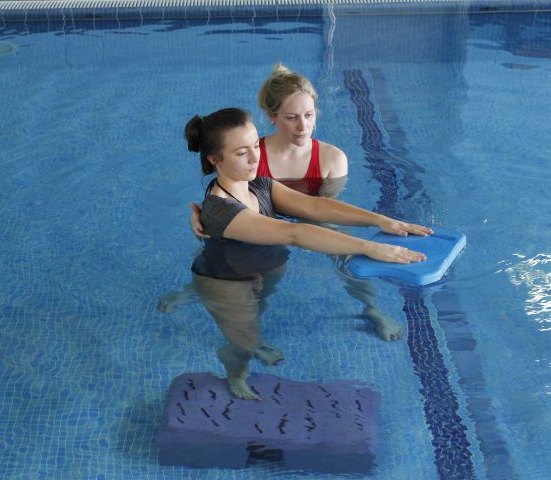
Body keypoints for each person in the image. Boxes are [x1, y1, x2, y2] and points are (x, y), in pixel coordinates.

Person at [184, 107, 431, 400]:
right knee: (242, 341)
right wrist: (371, 247)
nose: (254, 158)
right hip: (228, 284)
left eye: (254, 146)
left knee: (255, 316)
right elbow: (295, 233)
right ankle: (236, 369)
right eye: (241, 153)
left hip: (265, 266)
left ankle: (251, 340)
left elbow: (314, 206)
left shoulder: (259, 185)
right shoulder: (220, 212)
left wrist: (379, 220)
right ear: (215, 159)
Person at [162, 63, 408, 341]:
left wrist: (379, 220)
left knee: (343, 255)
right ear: (272, 117)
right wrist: (201, 213)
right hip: (256, 237)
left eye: (309, 115)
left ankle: (370, 308)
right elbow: (249, 205)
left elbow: (317, 207)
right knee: (222, 263)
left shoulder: (313, 164)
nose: (302, 126)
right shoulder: (250, 164)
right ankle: (202, 291)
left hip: (288, 228)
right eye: (292, 117)